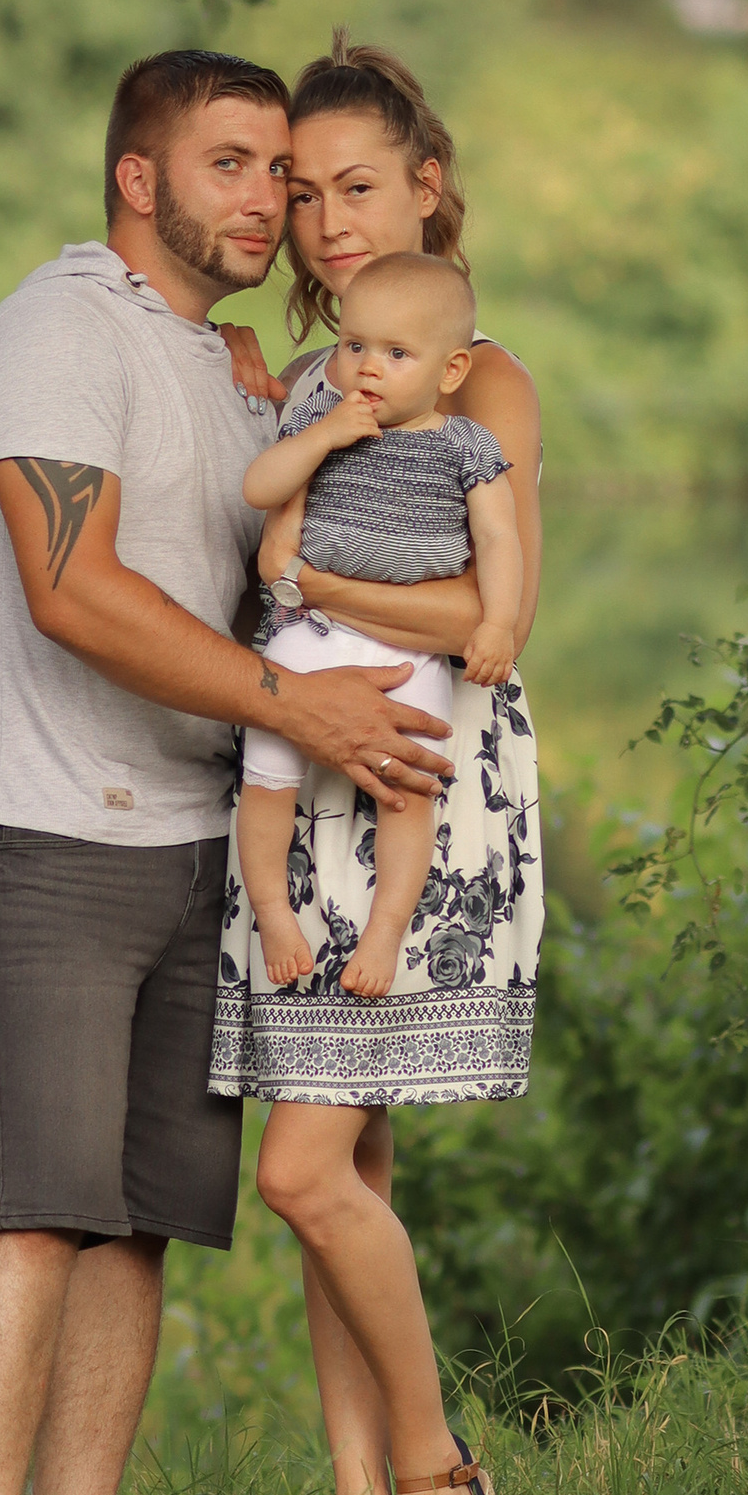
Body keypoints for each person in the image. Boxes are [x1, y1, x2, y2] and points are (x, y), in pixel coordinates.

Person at [0, 48, 453, 1495]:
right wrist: (303, 714)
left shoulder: (222, 365)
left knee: (141, 1219)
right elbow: (74, 589)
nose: (268, 199)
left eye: (281, 172)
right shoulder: (54, 331)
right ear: (136, 177)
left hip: (205, 837)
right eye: (231, 163)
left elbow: (293, 554)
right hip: (49, 825)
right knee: (35, 1199)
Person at [210, 36, 545, 1495]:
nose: (329, 219)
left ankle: (434, 1462)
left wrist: (312, 581)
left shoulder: (484, 382)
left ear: (427, 184)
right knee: (346, 1168)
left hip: (417, 772)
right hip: (301, 779)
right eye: (301, 191)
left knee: (299, 1169)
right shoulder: (295, 384)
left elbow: (487, 608)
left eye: (358, 185)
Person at [235, 251, 522, 1000]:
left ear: (450, 371)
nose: (367, 367)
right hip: (313, 631)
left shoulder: (466, 445)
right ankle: (273, 913)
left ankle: (385, 932)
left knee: (407, 795)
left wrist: (497, 625)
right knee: (265, 776)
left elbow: (498, 540)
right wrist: (325, 435)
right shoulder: (318, 418)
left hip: (409, 649)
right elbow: (259, 487)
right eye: (354, 345)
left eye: (397, 354)